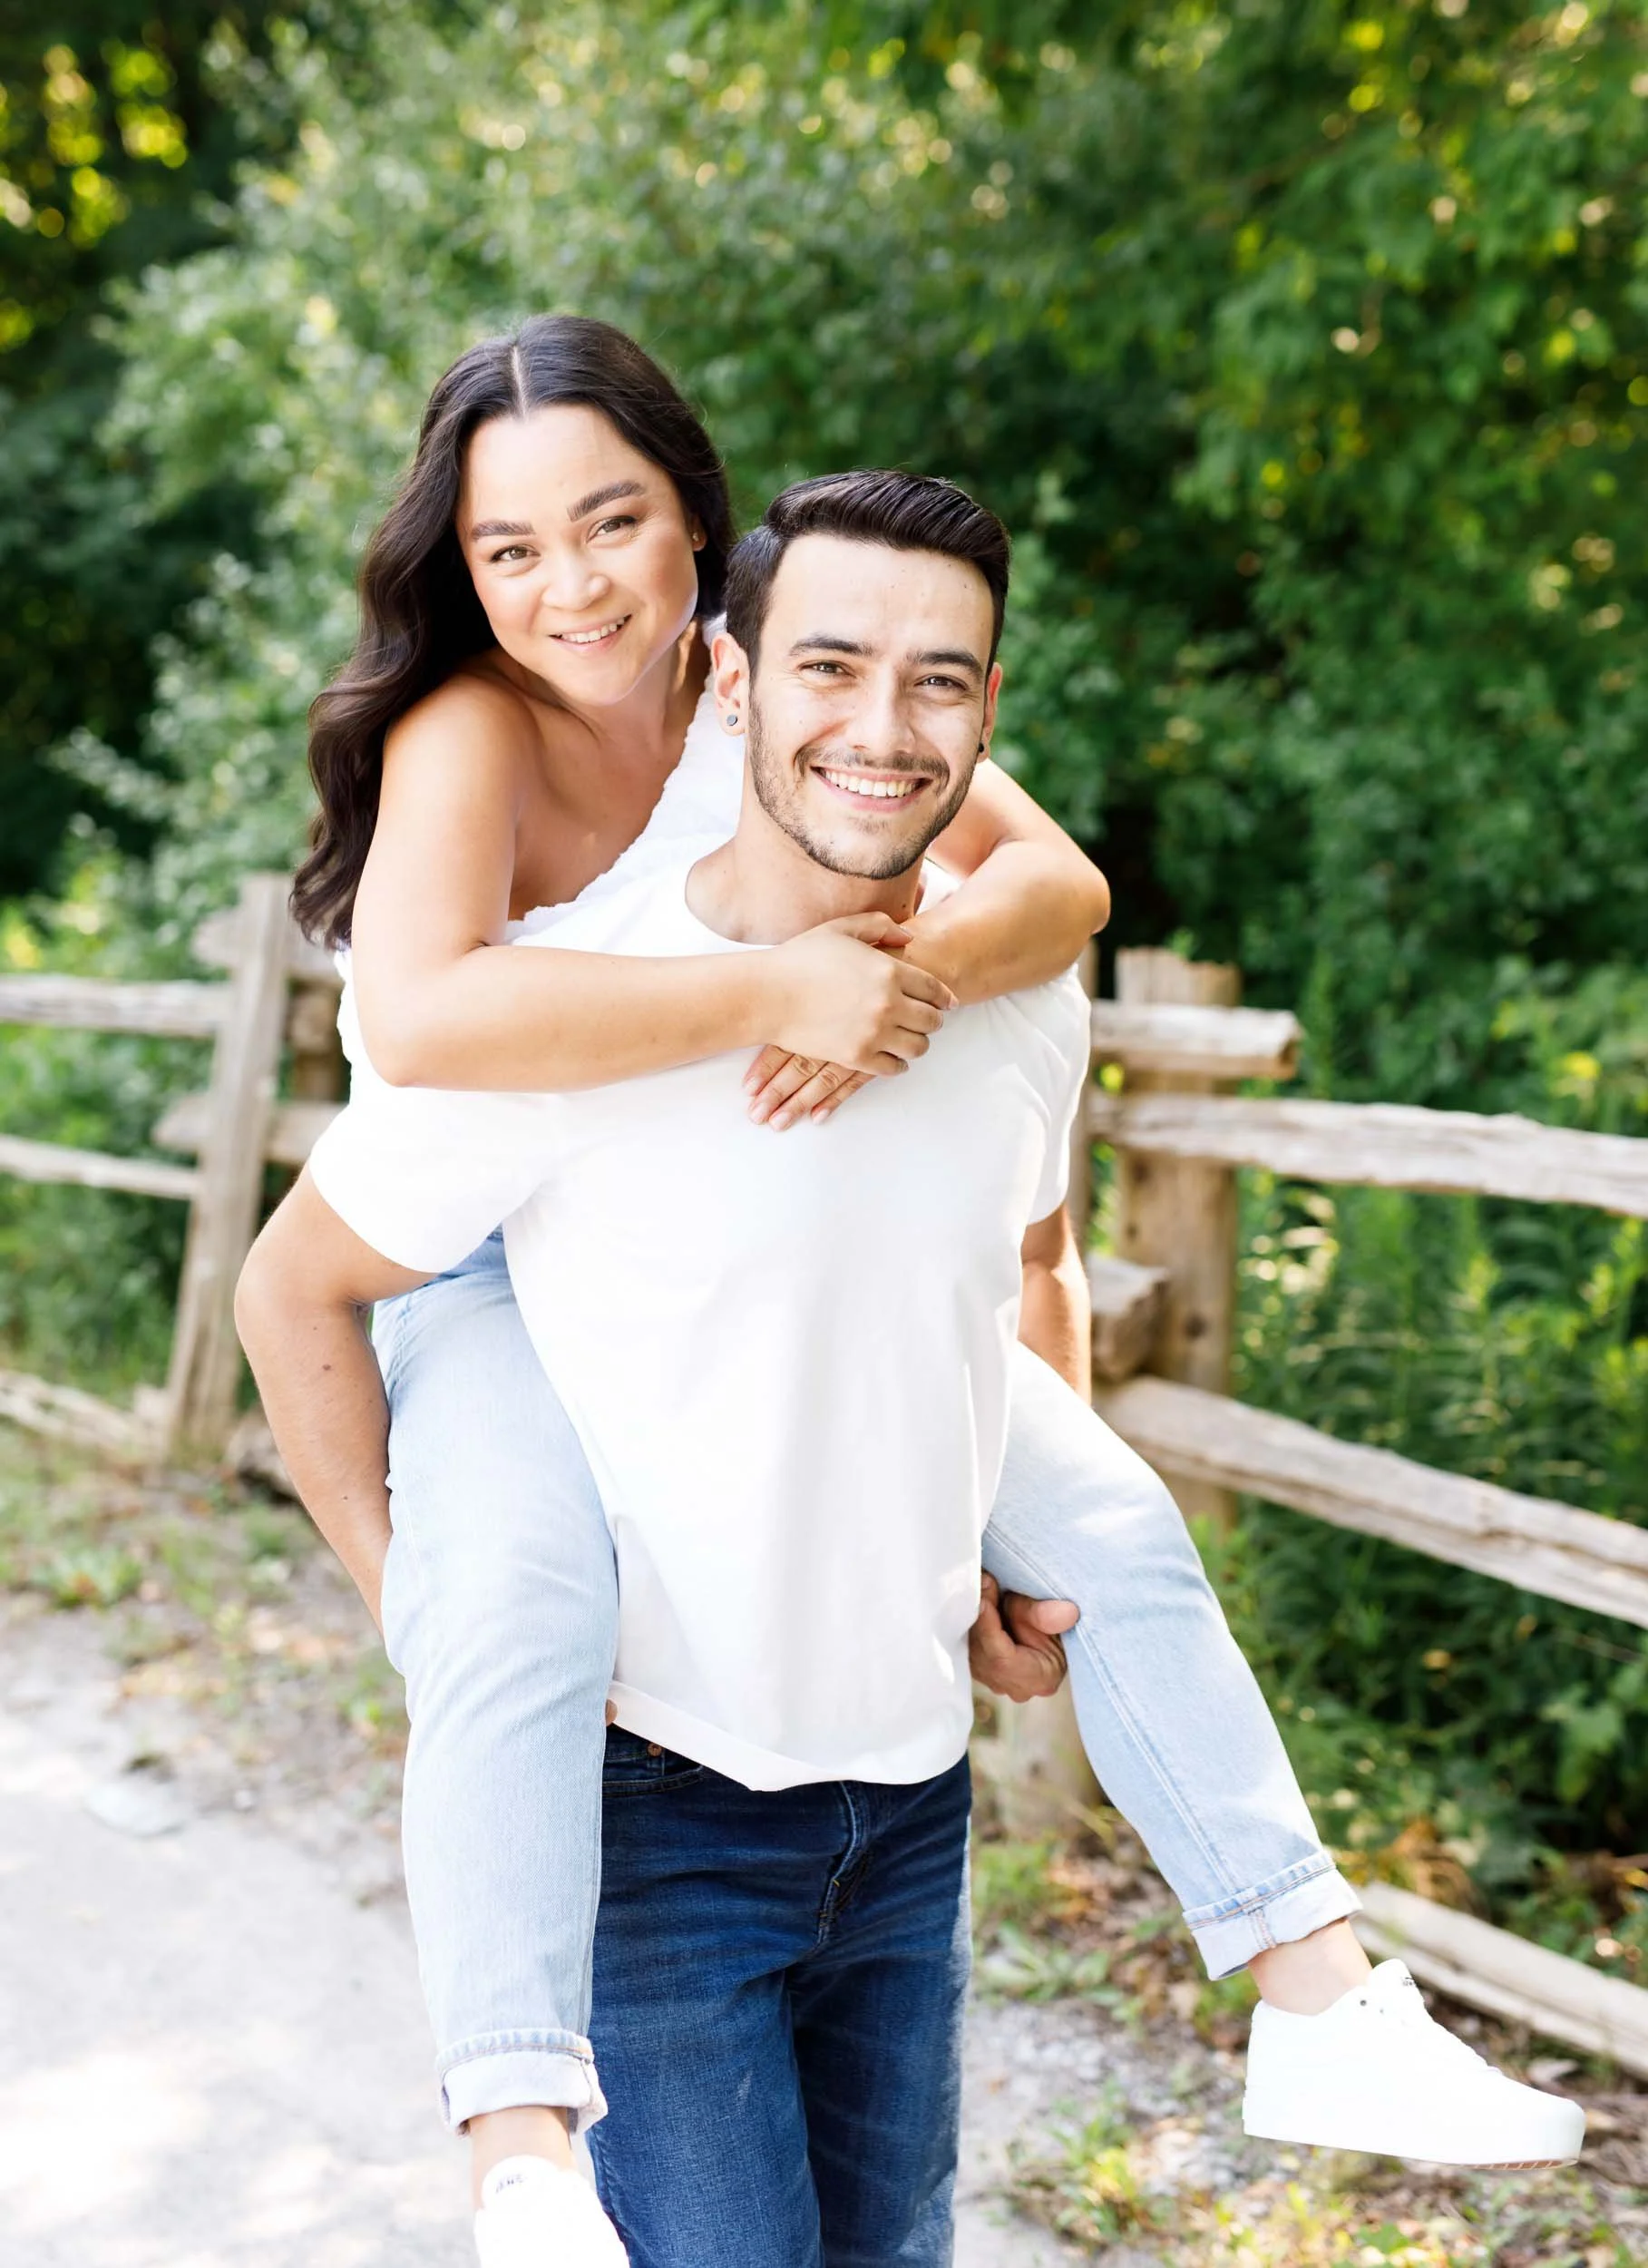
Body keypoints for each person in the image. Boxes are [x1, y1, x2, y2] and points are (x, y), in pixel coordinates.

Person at [234, 334, 1584, 2265]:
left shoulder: (785, 686)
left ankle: (1313, 1990)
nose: (570, 585)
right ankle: (520, 2142)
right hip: (469, 1245)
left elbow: (1053, 885)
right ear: (461, 563)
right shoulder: (474, 725)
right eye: (508, 545)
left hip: (733, 1228)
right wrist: (770, 995)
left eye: (612, 521)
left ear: (695, 530)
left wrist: (907, 979)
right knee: (515, 1608)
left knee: (1107, 1516)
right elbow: (437, 1025)